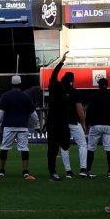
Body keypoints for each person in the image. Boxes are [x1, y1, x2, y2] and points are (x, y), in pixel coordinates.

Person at [0, 74, 39, 179]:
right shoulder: (26, 96)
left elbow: (0, 112)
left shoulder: (5, 96)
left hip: (9, 127)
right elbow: (33, 114)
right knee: (24, 148)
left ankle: (1, 170)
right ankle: (25, 171)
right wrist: (37, 125)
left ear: (11, 84)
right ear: (20, 84)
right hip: (22, 127)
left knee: (4, 148)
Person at [44, 53, 73, 181]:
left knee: (54, 148)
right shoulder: (60, 91)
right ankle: (52, 172)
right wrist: (61, 62)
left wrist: (61, 62)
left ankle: (52, 172)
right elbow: (54, 76)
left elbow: (54, 75)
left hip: (55, 124)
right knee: (56, 148)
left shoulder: (58, 89)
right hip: (58, 124)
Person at [83, 77, 110, 178]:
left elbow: (89, 111)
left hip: (96, 125)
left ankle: (88, 170)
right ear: (107, 85)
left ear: (98, 85)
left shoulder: (93, 96)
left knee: (91, 148)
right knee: (108, 149)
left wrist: (86, 123)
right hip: (108, 125)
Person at [60, 71, 90, 178]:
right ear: (72, 80)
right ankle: (83, 169)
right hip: (73, 122)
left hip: (62, 123)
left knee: (64, 147)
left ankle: (68, 172)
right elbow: (80, 109)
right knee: (82, 144)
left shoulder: (59, 92)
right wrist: (83, 122)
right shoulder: (75, 92)